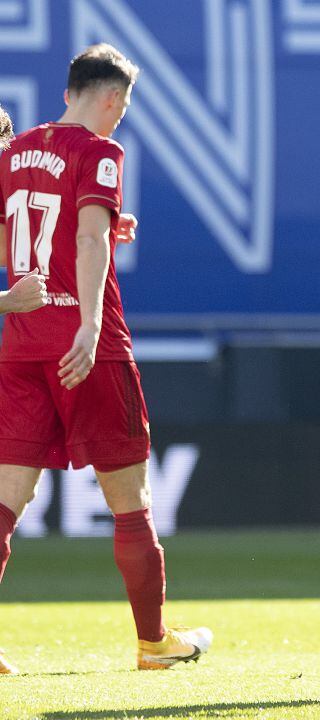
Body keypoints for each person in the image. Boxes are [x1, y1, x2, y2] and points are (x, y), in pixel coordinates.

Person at [0, 44, 211, 677]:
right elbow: (88, 237)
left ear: (69, 91)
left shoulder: (14, 151)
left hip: (21, 343)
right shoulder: (101, 151)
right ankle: (153, 643)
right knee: (130, 501)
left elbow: (26, 233)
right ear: (114, 100)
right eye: (123, 105)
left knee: (7, 498)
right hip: (85, 347)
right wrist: (90, 324)